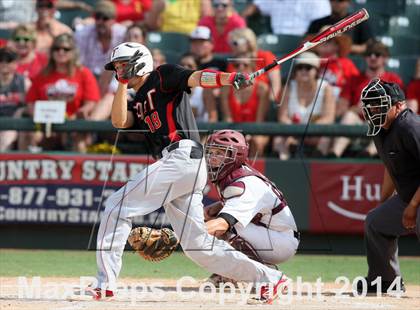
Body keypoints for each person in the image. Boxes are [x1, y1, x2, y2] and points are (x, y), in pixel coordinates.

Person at [87, 41, 288, 303]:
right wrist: (122, 84)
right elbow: (118, 121)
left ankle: (105, 285)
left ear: (140, 61)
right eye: (115, 67)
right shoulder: (137, 99)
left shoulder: (163, 74)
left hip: (182, 156)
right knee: (198, 246)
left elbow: (196, 77)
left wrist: (229, 79)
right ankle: (269, 279)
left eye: (123, 65)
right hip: (180, 166)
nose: (118, 70)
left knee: (116, 206)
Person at [204, 129, 299, 284]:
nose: (213, 158)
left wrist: (182, 236)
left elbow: (222, 224)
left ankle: (264, 275)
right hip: (267, 233)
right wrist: (216, 208)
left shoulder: (246, 183)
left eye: (220, 153)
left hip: (281, 240)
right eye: (211, 152)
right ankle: (229, 274)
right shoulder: (232, 174)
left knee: (226, 226)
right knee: (213, 217)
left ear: (235, 156)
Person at [358, 78, 420, 294]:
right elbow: (390, 169)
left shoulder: (409, 126)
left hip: (416, 200)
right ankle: (386, 281)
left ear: (399, 105)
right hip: (410, 197)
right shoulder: (380, 128)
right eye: (371, 105)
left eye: (380, 105)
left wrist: (412, 207)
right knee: (376, 222)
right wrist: (383, 205)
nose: (374, 110)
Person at [24, 33, 100, 152]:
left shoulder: (83, 73)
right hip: (46, 123)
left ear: (73, 52)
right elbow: (30, 102)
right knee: (30, 135)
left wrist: (75, 116)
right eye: (57, 48)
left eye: (66, 49)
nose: (61, 52)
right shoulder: (43, 74)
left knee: (78, 139)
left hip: (73, 124)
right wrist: (38, 118)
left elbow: (91, 102)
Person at [329, 41, 404, 158]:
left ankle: (369, 153)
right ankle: (334, 154)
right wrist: (357, 109)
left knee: (384, 118)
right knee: (349, 116)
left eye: (377, 54)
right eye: (369, 54)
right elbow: (342, 109)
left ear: (385, 58)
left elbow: (401, 108)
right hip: (358, 124)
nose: (372, 57)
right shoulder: (353, 79)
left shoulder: (393, 80)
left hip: (383, 126)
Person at [274, 52, 335, 159]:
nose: (303, 71)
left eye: (308, 67)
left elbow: (328, 118)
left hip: (316, 134)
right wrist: (296, 132)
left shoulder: (326, 88)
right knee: (278, 138)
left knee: (325, 138)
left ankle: (319, 166)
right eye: (300, 67)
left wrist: (308, 131)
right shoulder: (288, 87)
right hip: (292, 133)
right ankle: (283, 166)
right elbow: (282, 117)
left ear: (316, 71)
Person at [220, 54, 271, 157]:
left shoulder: (262, 89)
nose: (241, 68)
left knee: (257, 141)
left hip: (255, 129)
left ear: (252, 68)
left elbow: (259, 120)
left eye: (245, 65)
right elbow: (227, 118)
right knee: (227, 142)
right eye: (237, 65)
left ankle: (252, 170)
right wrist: (235, 137)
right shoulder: (226, 89)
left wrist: (249, 135)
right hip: (233, 129)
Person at [74, 0, 126, 95]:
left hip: (113, 83)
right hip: (88, 80)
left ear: (113, 20)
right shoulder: (82, 34)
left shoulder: (123, 35)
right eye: (97, 17)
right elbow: (78, 64)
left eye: (105, 18)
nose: (100, 22)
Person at [227, 27, 281, 102]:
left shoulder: (266, 56)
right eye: (230, 43)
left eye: (235, 43)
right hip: (240, 104)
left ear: (248, 42)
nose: (231, 46)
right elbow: (232, 88)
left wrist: (270, 104)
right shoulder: (234, 62)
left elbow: (275, 85)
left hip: (264, 102)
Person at [306, 0, 373, 55]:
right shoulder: (317, 23)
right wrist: (320, 35)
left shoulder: (358, 21)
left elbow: (368, 48)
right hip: (321, 62)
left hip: (348, 63)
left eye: (340, 1)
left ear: (349, 2)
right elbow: (305, 45)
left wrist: (340, 44)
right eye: (333, 0)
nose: (336, 3)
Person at [242, 0, 330, 36]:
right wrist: (240, 21)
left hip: (304, 43)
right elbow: (255, 7)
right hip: (276, 42)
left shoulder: (318, 1)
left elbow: (324, 22)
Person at [0, 48, 27, 151]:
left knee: (6, 139)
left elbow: (29, 105)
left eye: (8, 60)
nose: (4, 64)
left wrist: (21, 111)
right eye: (1, 60)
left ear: (15, 63)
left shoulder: (23, 82)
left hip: (13, 123)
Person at [145, 0, 211, 34]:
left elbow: (207, 22)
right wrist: (156, 11)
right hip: (167, 36)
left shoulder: (203, 1)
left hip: (192, 38)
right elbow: (152, 25)